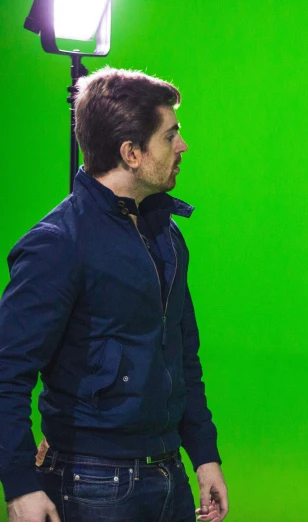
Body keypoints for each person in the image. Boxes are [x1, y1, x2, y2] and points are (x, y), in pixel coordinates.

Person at [0, 68, 228, 522]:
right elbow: (6, 371)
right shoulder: (58, 243)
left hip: (168, 477)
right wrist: (21, 484)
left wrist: (203, 453)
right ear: (131, 153)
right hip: (92, 485)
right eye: (171, 136)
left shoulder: (167, 235)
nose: (182, 147)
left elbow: (183, 353)